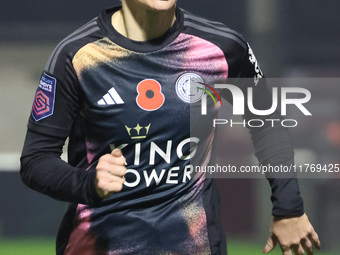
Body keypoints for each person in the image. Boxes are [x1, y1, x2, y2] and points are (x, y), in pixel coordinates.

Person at [20, 0, 321, 254]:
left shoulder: (223, 48)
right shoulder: (78, 55)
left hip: (195, 244)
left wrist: (289, 208)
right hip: (98, 245)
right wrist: (89, 183)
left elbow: (268, 123)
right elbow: (36, 161)